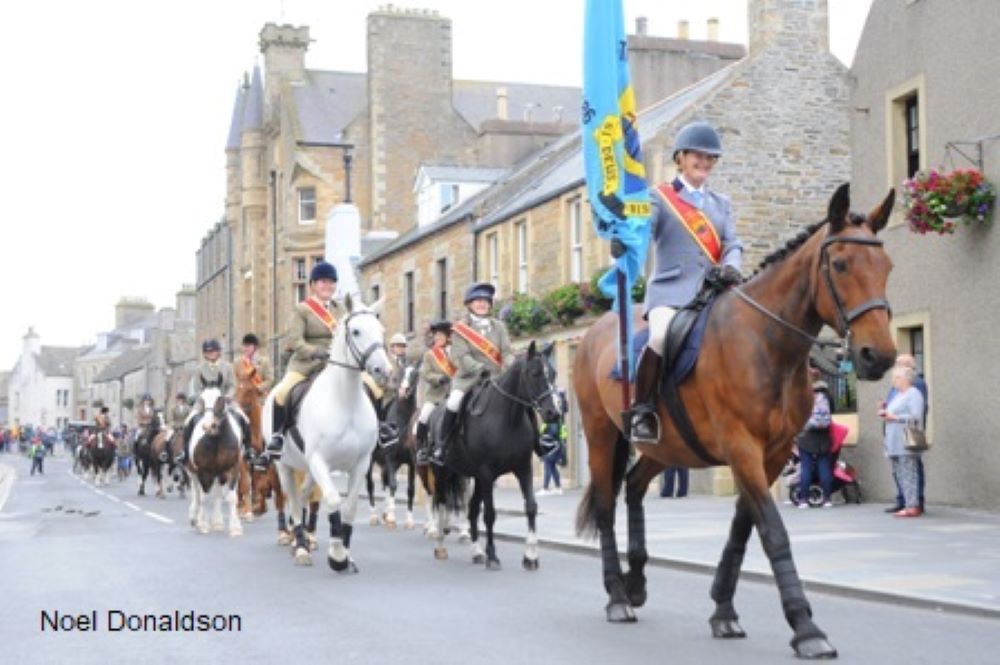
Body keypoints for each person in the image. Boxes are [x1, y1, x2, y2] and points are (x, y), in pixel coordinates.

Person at [631, 121, 744, 444]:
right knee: (660, 337)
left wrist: (731, 266)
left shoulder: (721, 203)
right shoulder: (659, 198)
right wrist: (628, 228)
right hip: (671, 294)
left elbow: (732, 243)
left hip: (714, 294)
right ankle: (643, 410)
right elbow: (642, 229)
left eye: (710, 158)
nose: (704, 163)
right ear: (680, 158)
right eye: (698, 156)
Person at [429, 282, 514, 466]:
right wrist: (479, 369)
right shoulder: (459, 330)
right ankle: (442, 446)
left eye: (486, 301)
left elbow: (506, 351)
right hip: (468, 379)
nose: (482, 304)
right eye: (478, 301)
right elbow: (461, 356)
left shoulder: (499, 326)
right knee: (453, 402)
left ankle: (536, 443)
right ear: (469, 304)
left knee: (519, 396)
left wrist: (510, 366)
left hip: (496, 378)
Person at [265, 261, 342, 461]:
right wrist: (316, 351)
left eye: (332, 282)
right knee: (281, 393)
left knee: (372, 386)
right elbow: (295, 341)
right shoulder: (302, 309)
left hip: (337, 364)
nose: (328, 286)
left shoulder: (340, 309)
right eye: (323, 282)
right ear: (313, 285)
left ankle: (380, 429)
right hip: (306, 364)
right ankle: (277, 437)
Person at [178, 339, 247, 464]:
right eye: (208, 352)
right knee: (189, 420)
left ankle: (248, 450)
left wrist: (228, 395)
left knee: (244, 417)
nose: (211, 354)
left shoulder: (227, 367)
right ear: (204, 354)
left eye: (214, 352)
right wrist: (204, 397)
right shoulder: (199, 369)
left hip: (225, 400)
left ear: (219, 352)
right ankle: (185, 452)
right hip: (205, 402)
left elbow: (233, 385)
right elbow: (197, 388)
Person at [882, 354, 928, 513]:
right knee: (900, 473)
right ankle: (907, 504)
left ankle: (912, 506)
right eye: (894, 377)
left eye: (897, 377)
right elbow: (891, 412)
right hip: (893, 441)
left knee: (910, 473)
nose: (894, 380)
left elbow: (916, 416)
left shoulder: (914, 393)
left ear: (906, 379)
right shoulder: (899, 395)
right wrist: (884, 412)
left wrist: (894, 417)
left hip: (906, 440)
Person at [412, 321, 456, 464]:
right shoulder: (430, 355)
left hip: (454, 393)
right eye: (435, 335)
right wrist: (439, 378)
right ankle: (422, 449)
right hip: (436, 395)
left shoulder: (456, 351)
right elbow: (426, 373)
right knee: (423, 417)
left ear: (448, 337)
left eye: (440, 335)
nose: (437, 337)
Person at [796, 376, 834, 508]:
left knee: (805, 468)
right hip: (823, 437)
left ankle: (803, 500)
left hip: (806, 436)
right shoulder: (827, 397)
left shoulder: (803, 397)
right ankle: (827, 499)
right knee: (824, 468)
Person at [538, 420, 565, 496]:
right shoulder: (557, 421)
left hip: (551, 448)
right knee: (552, 467)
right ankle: (558, 487)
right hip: (555, 447)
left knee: (547, 466)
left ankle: (545, 488)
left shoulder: (552, 422)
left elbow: (551, 434)